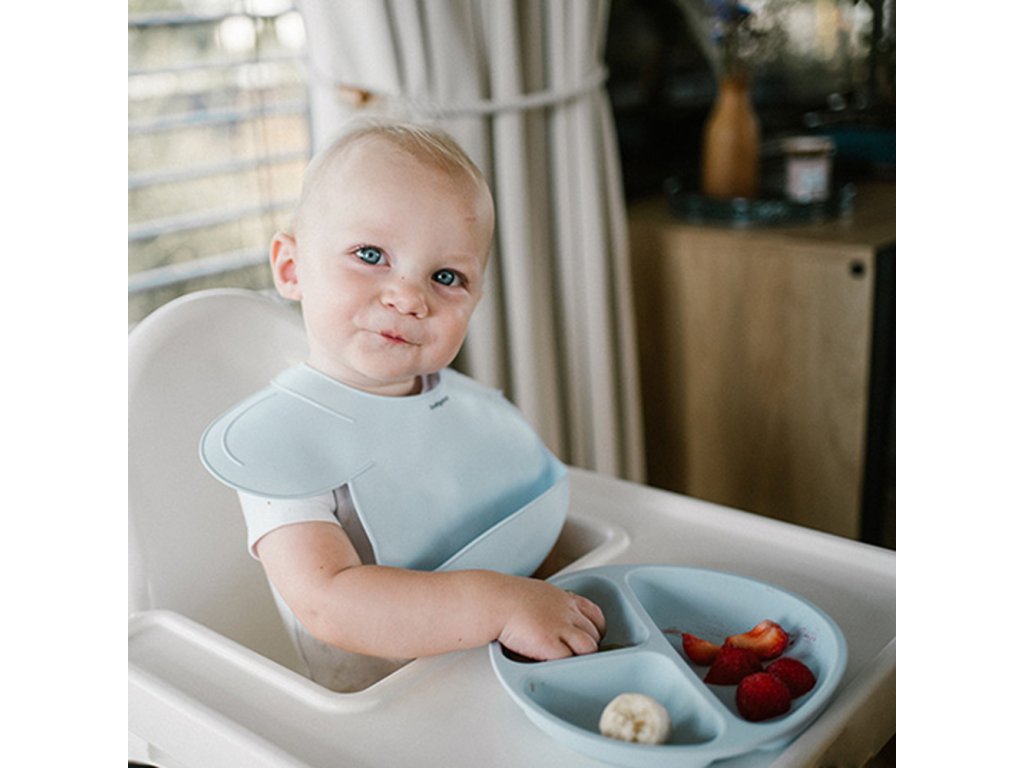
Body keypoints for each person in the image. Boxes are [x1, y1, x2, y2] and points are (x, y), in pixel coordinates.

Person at [200, 119, 605, 692]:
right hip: (382, 708)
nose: (409, 296)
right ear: (291, 269)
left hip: (489, 672)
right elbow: (326, 603)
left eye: (446, 276)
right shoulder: (279, 445)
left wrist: (534, 595)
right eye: (370, 254)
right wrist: (501, 604)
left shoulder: (458, 407)